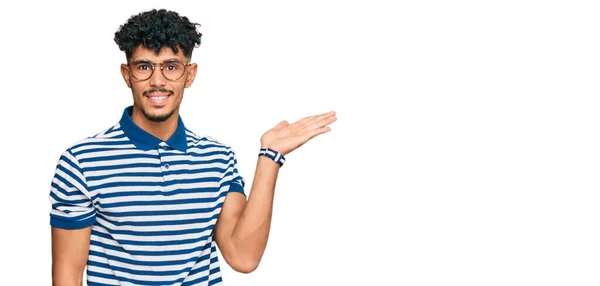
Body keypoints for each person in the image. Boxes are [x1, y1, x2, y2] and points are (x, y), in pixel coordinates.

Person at [48, 8, 336, 286]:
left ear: (190, 74)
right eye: (144, 67)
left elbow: (243, 257)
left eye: (171, 67)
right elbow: (67, 277)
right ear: (127, 74)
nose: (157, 81)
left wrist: (270, 156)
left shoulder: (218, 158)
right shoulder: (82, 162)